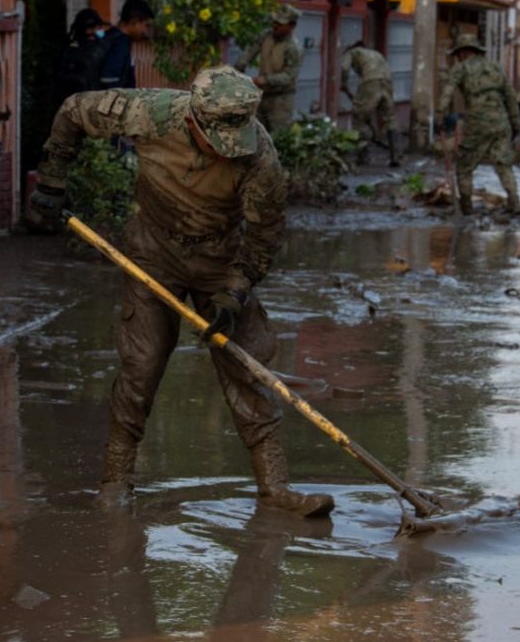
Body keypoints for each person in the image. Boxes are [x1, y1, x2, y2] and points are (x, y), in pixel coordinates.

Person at [29, 66, 334, 518]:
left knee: (248, 363)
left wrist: (237, 290)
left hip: (220, 258)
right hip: (153, 251)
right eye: (219, 141)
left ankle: (275, 487)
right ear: (193, 120)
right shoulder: (149, 112)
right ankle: (115, 482)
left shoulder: (259, 156)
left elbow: (264, 235)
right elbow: (74, 111)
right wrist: (53, 177)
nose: (229, 150)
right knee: (142, 361)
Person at [437, 33, 520, 214]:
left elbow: (447, 92)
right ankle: (514, 201)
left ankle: (466, 208)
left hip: (478, 122)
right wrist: (515, 121)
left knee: (465, 166)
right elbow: (510, 95)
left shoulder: (461, 68)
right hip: (501, 120)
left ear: (462, 53)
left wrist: (440, 116)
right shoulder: (495, 67)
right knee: (503, 164)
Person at [234, 4, 303, 133]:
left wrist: (264, 80)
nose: (276, 26)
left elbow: (289, 76)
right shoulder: (266, 36)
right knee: (257, 133)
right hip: (262, 95)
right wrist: (239, 67)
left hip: (281, 100)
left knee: (278, 135)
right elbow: (249, 51)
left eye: (281, 24)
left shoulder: (293, 48)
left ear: (291, 27)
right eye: (275, 21)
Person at [340, 40, 399, 167]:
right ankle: (396, 156)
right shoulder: (376, 54)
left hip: (370, 82)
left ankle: (363, 156)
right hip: (387, 82)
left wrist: (343, 84)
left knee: (359, 119)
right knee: (390, 119)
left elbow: (344, 67)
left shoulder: (351, 52)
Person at [54, 8, 110, 103]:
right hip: (82, 102)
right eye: (97, 28)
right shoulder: (77, 51)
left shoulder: (100, 46)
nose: (99, 31)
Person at [99, 0, 155, 90]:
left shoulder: (113, 36)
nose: (145, 31)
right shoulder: (120, 44)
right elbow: (109, 81)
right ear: (134, 20)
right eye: (145, 25)